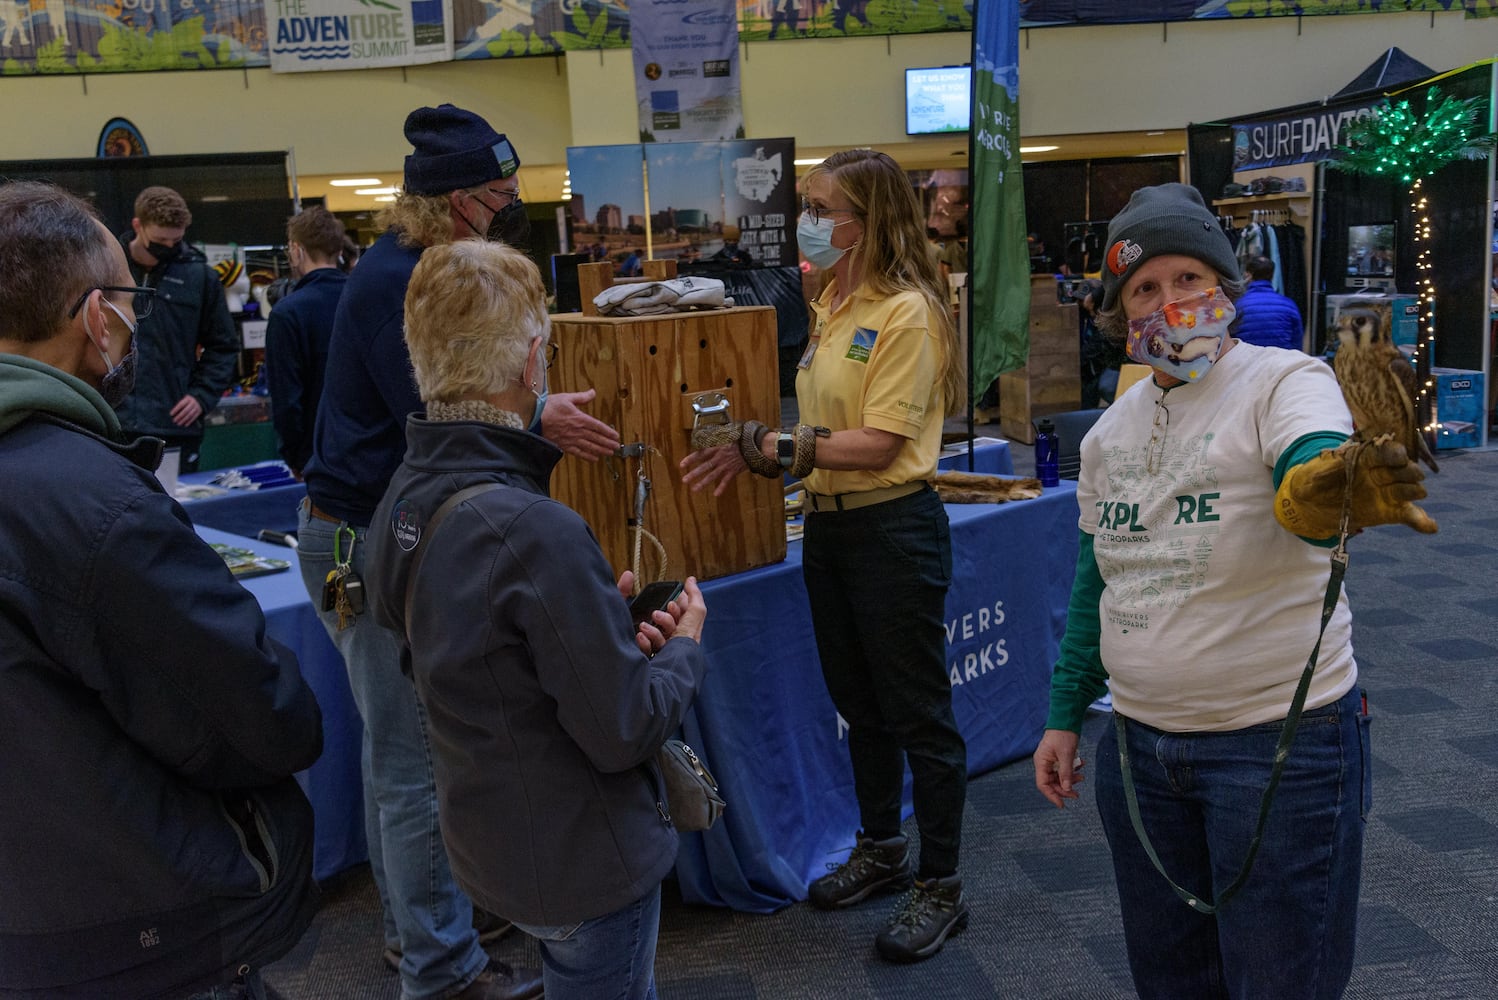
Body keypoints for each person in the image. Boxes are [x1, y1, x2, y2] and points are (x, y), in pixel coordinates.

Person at [1033, 183, 1430, 1000]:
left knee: (1281, 982)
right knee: (1172, 983)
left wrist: (1320, 493)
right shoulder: (1109, 433)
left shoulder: (1286, 381)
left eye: (1188, 279)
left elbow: (1311, 469)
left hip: (1277, 748)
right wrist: (1065, 715)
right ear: (1118, 313)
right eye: (1144, 289)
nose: (1170, 301)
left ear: (1224, 286)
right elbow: (1095, 581)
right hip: (1139, 753)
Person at [299, 104, 620, 1000]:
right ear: (448, 202)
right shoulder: (402, 284)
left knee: (396, 755)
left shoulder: (416, 271)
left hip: (373, 529)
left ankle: (422, 929)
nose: (507, 207)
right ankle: (439, 968)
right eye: (495, 195)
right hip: (362, 540)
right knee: (408, 762)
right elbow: (451, 412)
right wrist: (538, 412)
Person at [0, 180, 322, 999]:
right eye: (127, 302)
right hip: (142, 929)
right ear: (95, 317)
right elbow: (257, 712)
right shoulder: (92, 508)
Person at [365, 239, 710, 1000]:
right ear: (531, 367)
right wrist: (683, 647)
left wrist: (592, 618)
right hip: (580, 857)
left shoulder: (402, 497)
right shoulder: (532, 528)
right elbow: (623, 728)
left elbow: (470, 648)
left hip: (490, 841)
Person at [681, 148, 969, 963]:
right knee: (860, 702)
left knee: (919, 714)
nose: (807, 217)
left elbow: (879, 443)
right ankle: (882, 847)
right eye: (808, 202)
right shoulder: (829, 299)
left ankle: (942, 888)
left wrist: (770, 447)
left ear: (868, 219)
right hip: (832, 530)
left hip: (893, 531)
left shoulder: (909, 310)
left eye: (821, 204)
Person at [115, 185, 239, 472]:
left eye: (177, 240)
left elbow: (224, 346)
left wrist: (201, 396)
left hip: (173, 424)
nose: (169, 247)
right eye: (161, 239)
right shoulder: (109, 270)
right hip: (115, 423)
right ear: (138, 226)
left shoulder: (200, 277)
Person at [265, 204, 347, 478]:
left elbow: (287, 399)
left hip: (317, 456)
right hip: (372, 449)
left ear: (296, 250)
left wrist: (295, 456)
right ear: (338, 250)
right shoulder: (367, 299)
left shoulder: (287, 313)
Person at [1234, 255, 1303, 351]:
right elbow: (1297, 343)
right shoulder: (1289, 305)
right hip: (1281, 363)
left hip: (1249, 362)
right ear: (1272, 275)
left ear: (1248, 275)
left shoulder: (1238, 305)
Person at [1076, 277, 1126, 408]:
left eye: (1083, 300)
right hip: (1098, 368)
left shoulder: (1111, 322)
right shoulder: (1082, 316)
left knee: (1106, 385)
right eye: (1079, 301)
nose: (1080, 304)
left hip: (1114, 366)